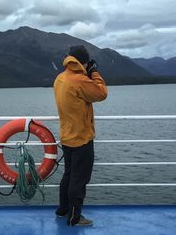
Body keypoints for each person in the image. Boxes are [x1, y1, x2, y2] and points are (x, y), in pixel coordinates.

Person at [53, 45, 107, 226]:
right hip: (81, 138)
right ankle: (75, 217)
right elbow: (101, 94)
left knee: (68, 175)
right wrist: (95, 73)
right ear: (83, 62)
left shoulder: (60, 78)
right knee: (79, 179)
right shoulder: (79, 80)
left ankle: (63, 210)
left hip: (67, 136)